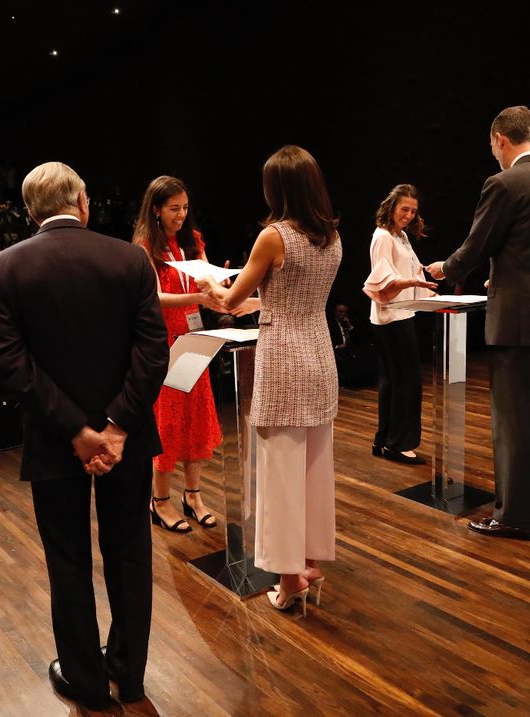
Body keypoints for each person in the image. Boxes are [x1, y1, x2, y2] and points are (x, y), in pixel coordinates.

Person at [0, 162, 167, 710]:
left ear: (30, 212)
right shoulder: (130, 259)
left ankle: (85, 680)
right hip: (128, 440)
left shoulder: (0, 268)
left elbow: (10, 364)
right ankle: (129, 677)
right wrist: (116, 427)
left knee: (67, 560)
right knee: (130, 552)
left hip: (53, 441)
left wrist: (78, 431)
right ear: (83, 202)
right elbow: (153, 351)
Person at [426, 105, 530, 540]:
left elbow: (476, 245)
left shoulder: (503, 183)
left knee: (513, 420)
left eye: (492, 146)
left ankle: (514, 517)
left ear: (501, 139)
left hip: (516, 320)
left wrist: (446, 269)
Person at [197, 145, 340, 615]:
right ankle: (313, 559)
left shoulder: (274, 237)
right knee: (315, 465)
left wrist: (207, 285)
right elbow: (293, 297)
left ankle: (287, 578)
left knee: (279, 469)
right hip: (319, 353)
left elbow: (229, 300)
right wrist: (257, 300)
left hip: (283, 360)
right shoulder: (331, 237)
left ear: (276, 188)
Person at [132, 176, 223, 533]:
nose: (181, 215)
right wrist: (198, 299)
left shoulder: (193, 241)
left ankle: (194, 495)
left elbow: (209, 280)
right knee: (167, 424)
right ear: (156, 209)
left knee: (197, 419)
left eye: (185, 208)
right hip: (163, 343)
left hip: (195, 337)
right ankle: (161, 501)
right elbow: (153, 298)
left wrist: (220, 285)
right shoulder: (144, 247)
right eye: (174, 209)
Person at [362, 184, 438, 464]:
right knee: (406, 381)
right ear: (391, 207)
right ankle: (399, 444)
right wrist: (413, 282)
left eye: (413, 211)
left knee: (394, 381)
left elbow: (413, 269)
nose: (408, 215)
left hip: (402, 313)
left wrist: (429, 276)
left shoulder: (401, 236)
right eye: (404, 209)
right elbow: (382, 280)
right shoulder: (383, 236)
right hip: (392, 316)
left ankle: (383, 441)